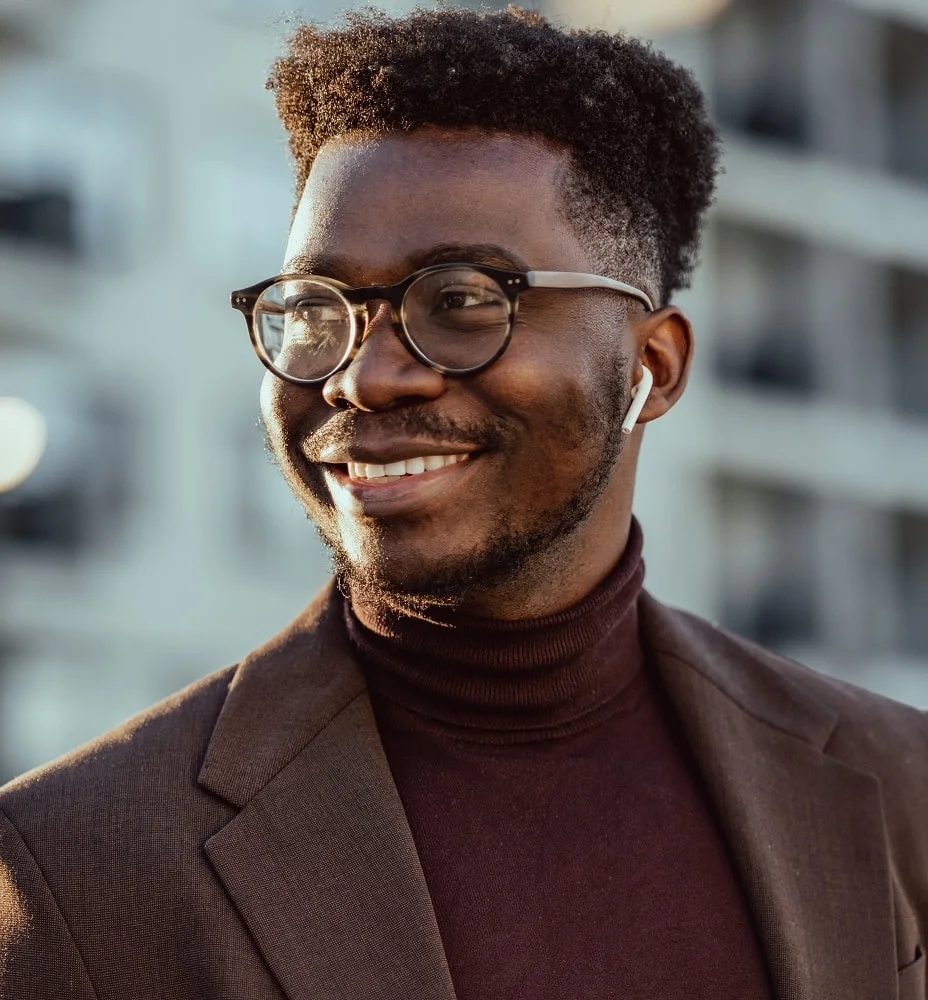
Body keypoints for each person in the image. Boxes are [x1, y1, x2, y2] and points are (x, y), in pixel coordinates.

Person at [1, 6, 926, 999]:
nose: (363, 378)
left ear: (649, 368)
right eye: (316, 308)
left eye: (461, 301)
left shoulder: (895, 788)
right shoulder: (75, 862)